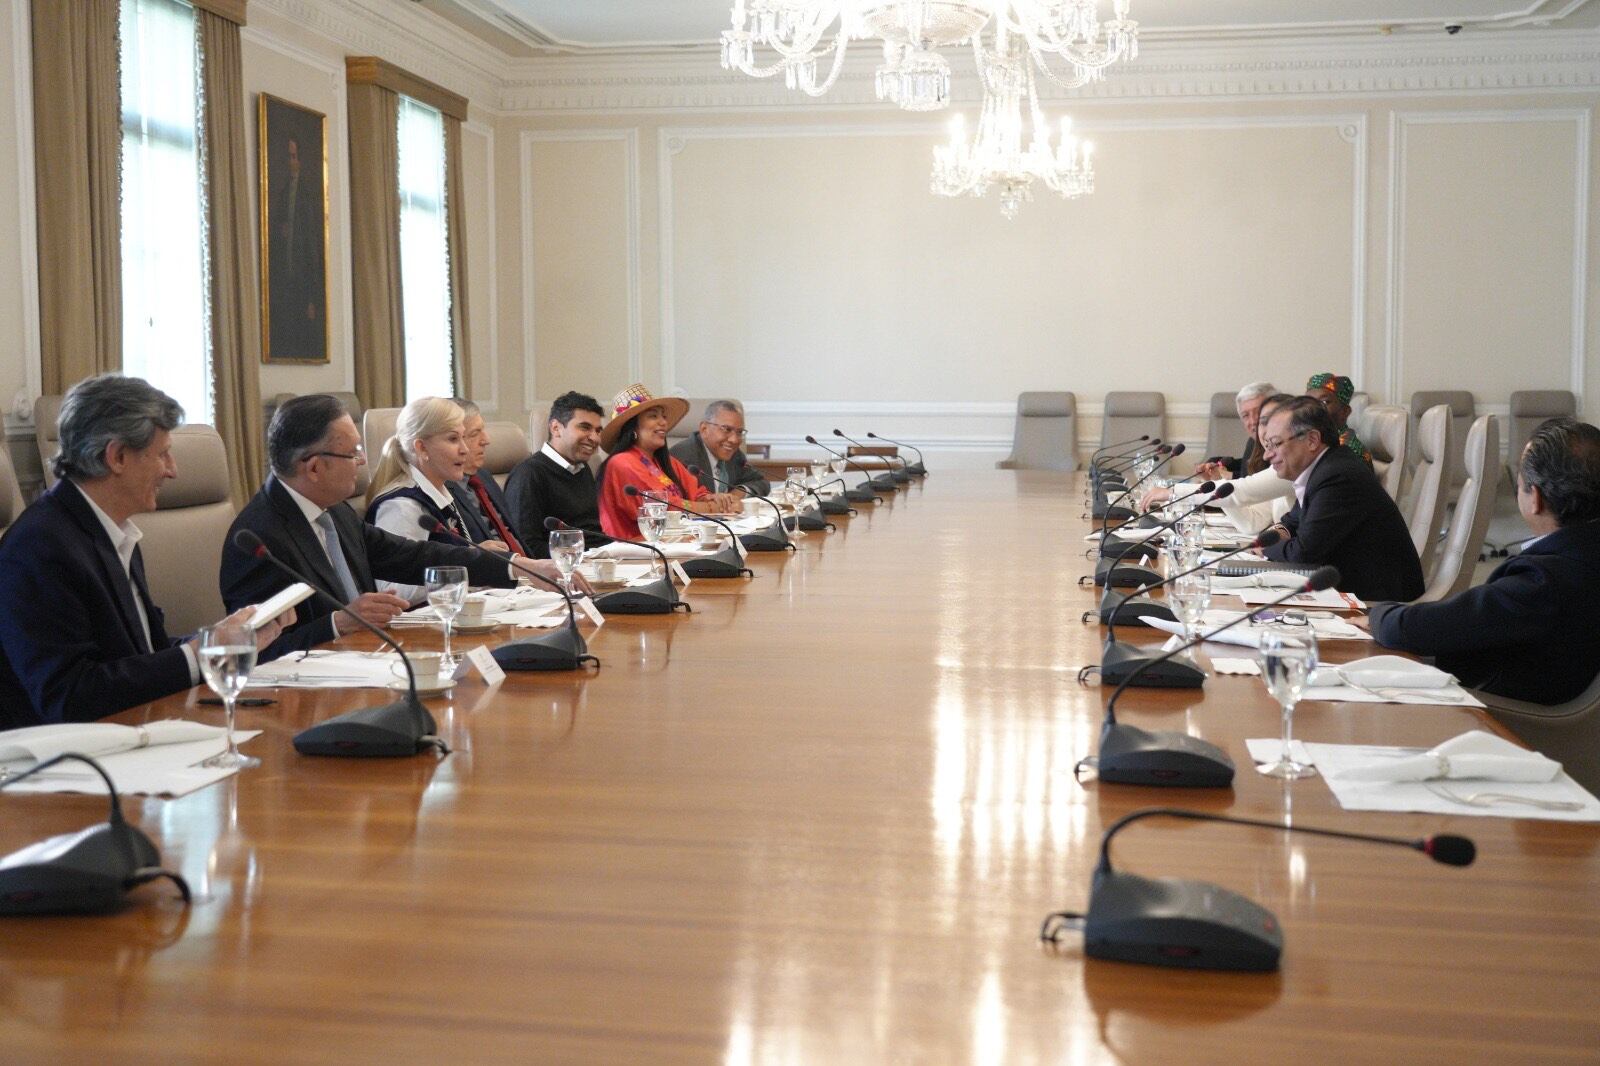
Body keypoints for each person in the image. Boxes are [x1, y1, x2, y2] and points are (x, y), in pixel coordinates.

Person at [0, 375, 290, 729]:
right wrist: (198, 656)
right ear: (117, 456)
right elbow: (69, 696)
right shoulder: (39, 547)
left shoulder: (117, 532)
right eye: (163, 454)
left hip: (130, 734)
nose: (173, 470)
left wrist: (219, 641)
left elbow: (143, 655)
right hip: (63, 766)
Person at [221, 394, 572, 660]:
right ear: (314, 468)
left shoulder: (336, 513)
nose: (362, 462)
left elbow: (414, 555)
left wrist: (518, 567)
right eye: (353, 453)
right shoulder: (259, 538)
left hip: (370, 659)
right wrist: (336, 623)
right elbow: (253, 650)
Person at [1368, 418, 1600, 705]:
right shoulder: (1580, 557)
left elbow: (1410, 629)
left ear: (1535, 498)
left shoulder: (1542, 581)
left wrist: (1374, 616)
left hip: (1513, 724)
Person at [1259, 396, 1424, 601]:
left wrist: (1264, 546)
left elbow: (1303, 554)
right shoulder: (1325, 467)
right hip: (1347, 591)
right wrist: (1277, 533)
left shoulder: (1337, 476)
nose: (1267, 456)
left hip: (1376, 604)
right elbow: (1291, 522)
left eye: (1275, 444)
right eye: (1267, 445)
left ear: (1312, 440)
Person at [597, 384, 742, 540]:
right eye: (653, 416)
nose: (663, 422)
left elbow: (697, 492)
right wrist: (711, 507)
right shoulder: (622, 463)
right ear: (632, 426)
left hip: (671, 543)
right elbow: (663, 508)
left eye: (664, 416)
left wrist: (718, 499)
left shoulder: (666, 462)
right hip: (634, 552)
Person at [504, 391, 612, 558]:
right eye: (585, 428)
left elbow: (592, 533)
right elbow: (526, 547)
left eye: (598, 431)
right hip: (565, 570)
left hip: (599, 561)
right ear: (556, 428)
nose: (595, 438)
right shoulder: (528, 475)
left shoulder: (582, 467)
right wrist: (584, 557)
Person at [446, 399, 525, 555]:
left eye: (483, 430)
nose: (486, 440)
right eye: (475, 434)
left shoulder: (483, 477)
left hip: (526, 569)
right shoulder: (443, 488)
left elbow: (512, 534)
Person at [670, 399, 771, 497]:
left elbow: (761, 482)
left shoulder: (734, 455)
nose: (734, 440)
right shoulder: (682, 458)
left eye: (739, 432)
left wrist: (741, 491)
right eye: (727, 429)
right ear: (704, 429)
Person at [1196, 381, 1277, 481]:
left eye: (1258, 412)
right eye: (1246, 415)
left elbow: (1259, 484)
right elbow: (1250, 467)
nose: (1253, 421)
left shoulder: (1283, 448)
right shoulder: (1253, 441)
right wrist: (1223, 466)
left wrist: (1228, 476)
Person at [1305, 372, 1372, 466]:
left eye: (1324, 402)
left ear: (1344, 411)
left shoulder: (1348, 450)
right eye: (1308, 402)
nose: (1313, 408)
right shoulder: (1318, 441)